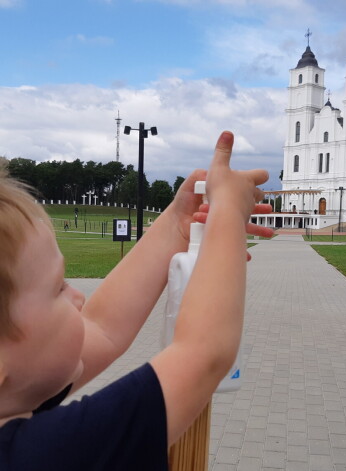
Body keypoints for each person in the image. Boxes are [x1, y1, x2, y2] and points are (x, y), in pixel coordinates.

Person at [0, 131, 273, 470]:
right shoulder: (46, 454)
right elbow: (203, 352)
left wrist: (178, 222)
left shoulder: (12, 393)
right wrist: (229, 213)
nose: (78, 296)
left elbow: (104, 327)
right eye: (58, 288)